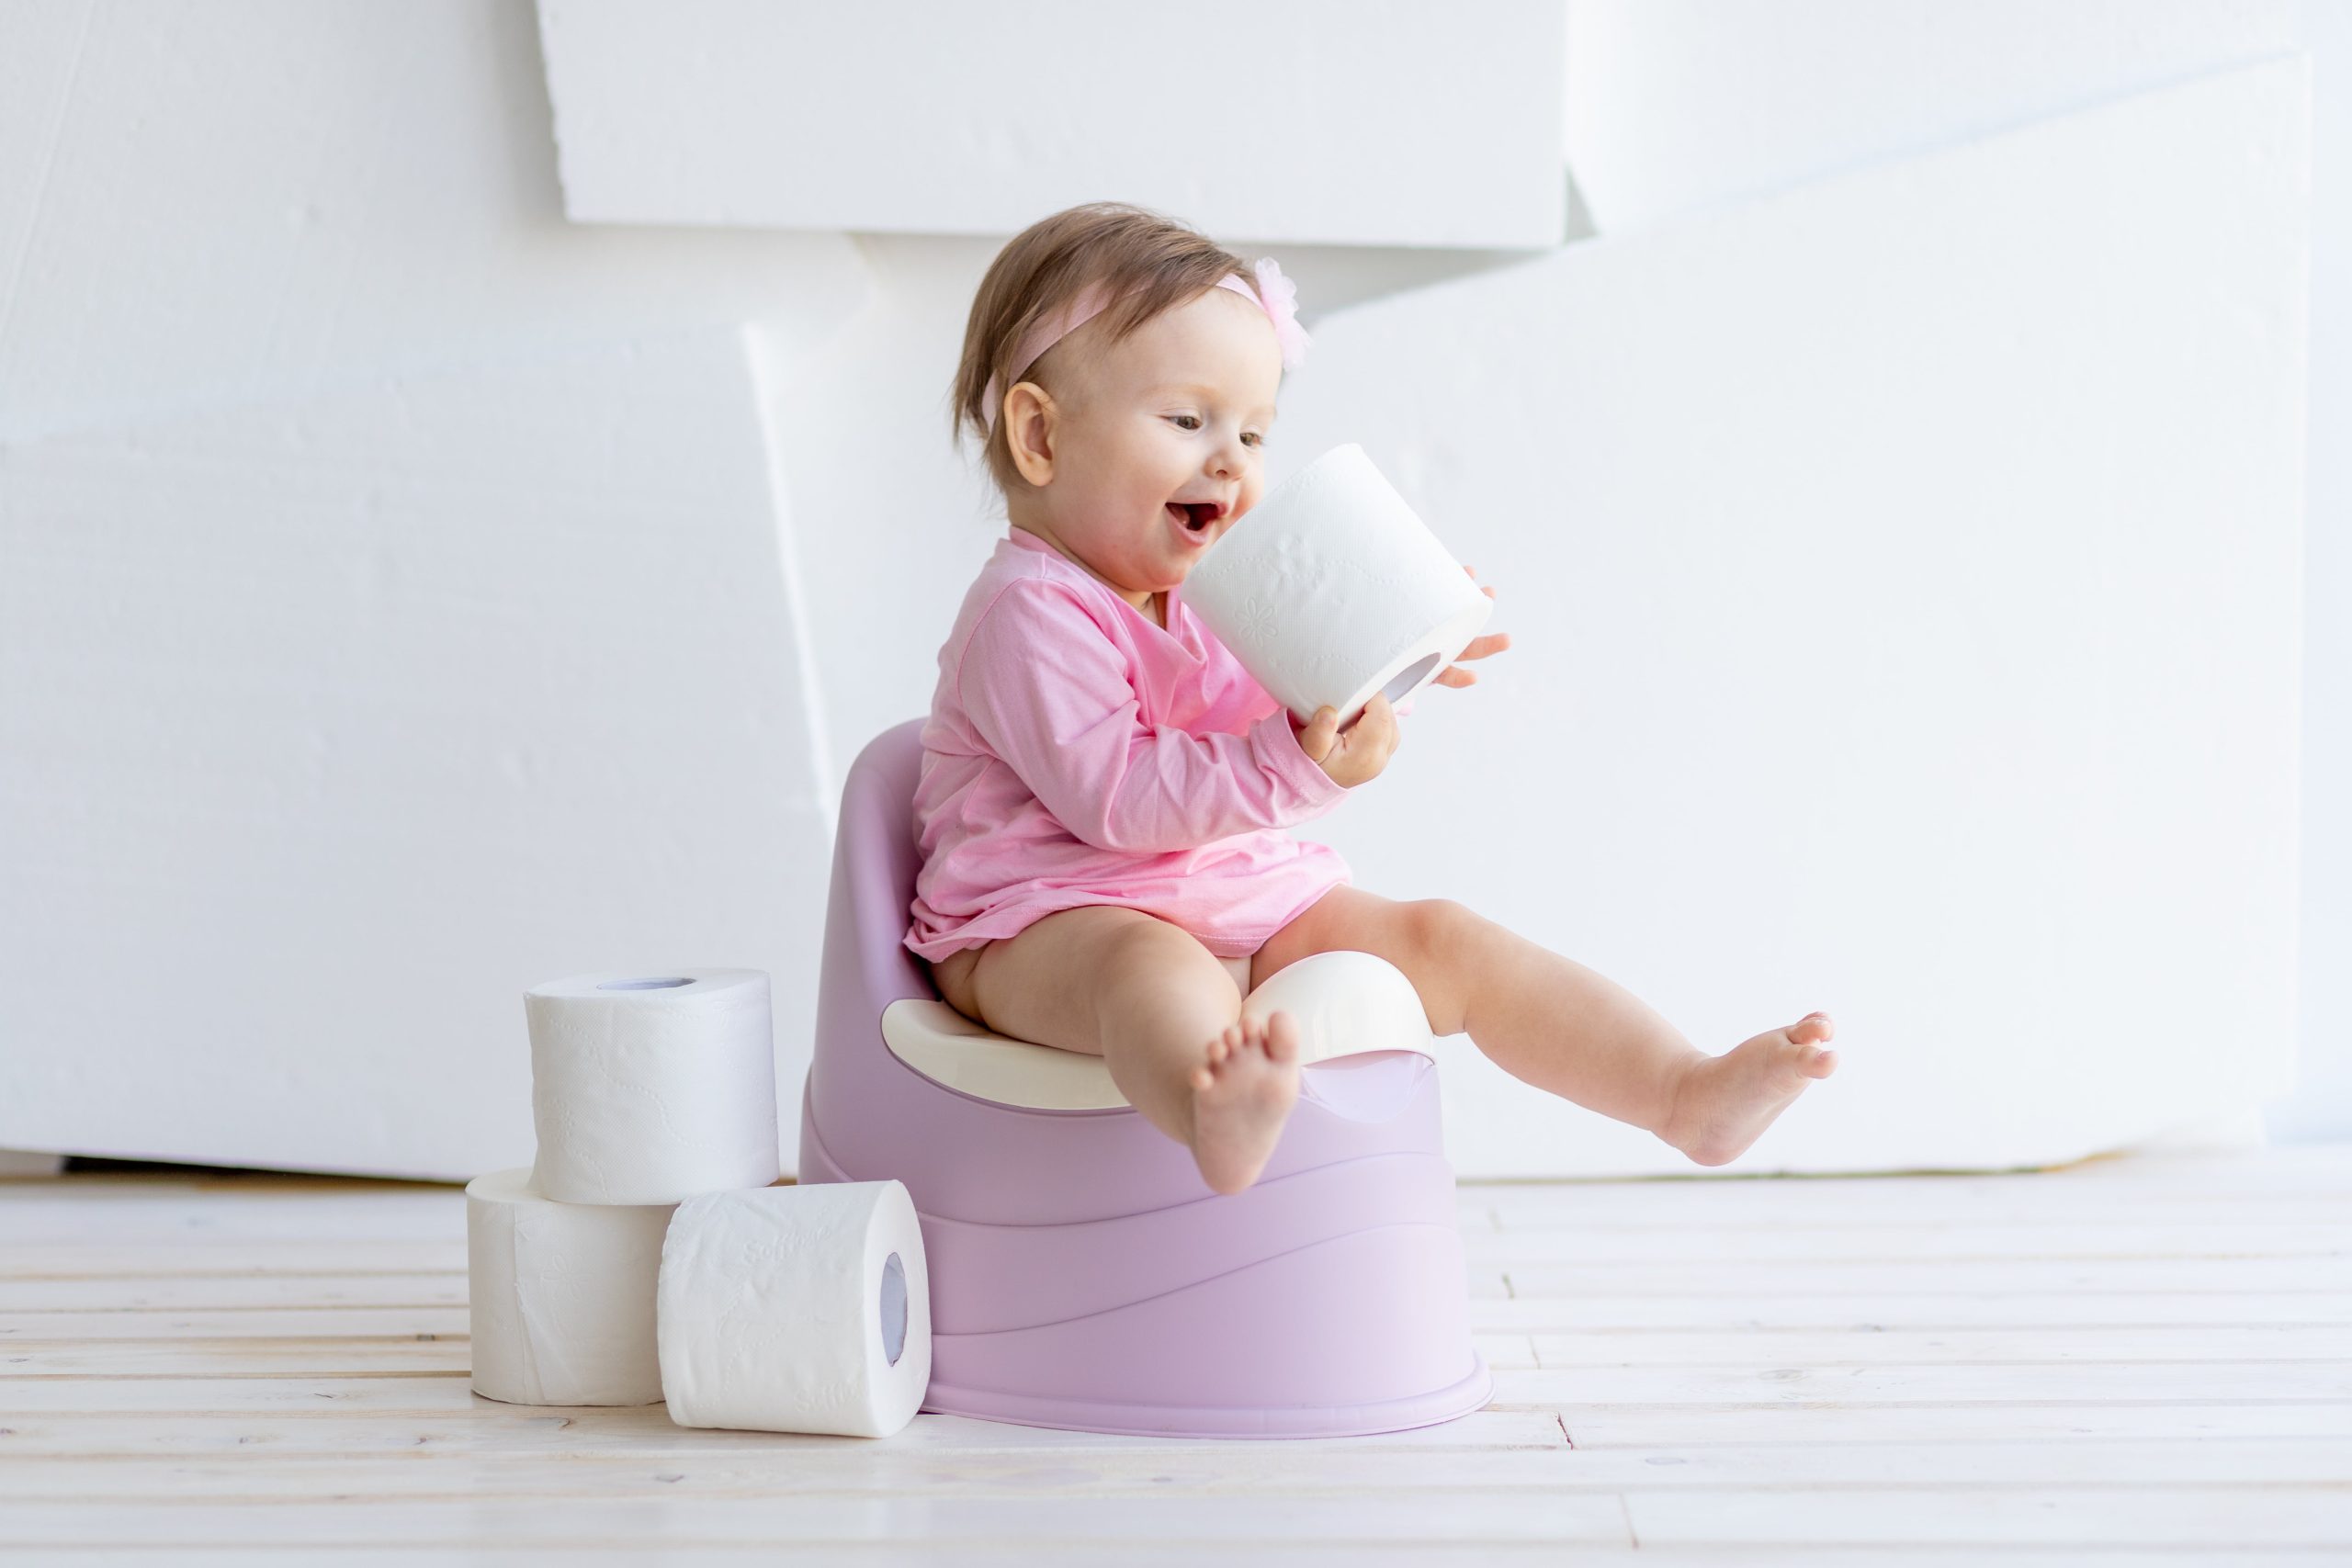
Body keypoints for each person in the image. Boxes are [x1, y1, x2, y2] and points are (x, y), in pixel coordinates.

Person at [905, 202, 1836, 1196]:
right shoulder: (1029, 612)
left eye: (1254, 432)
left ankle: (1680, 1093)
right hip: (1043, 922)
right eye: (1187, 420)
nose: (1230, 460)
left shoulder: (1206, 595)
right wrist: (1292, 763)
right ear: (1040, 436)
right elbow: (1123, 799)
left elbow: (1286, 705)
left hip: (1234, 899)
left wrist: (1386, 645)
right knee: (1145, 968)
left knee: (1444, 937)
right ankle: (1208, 1109)